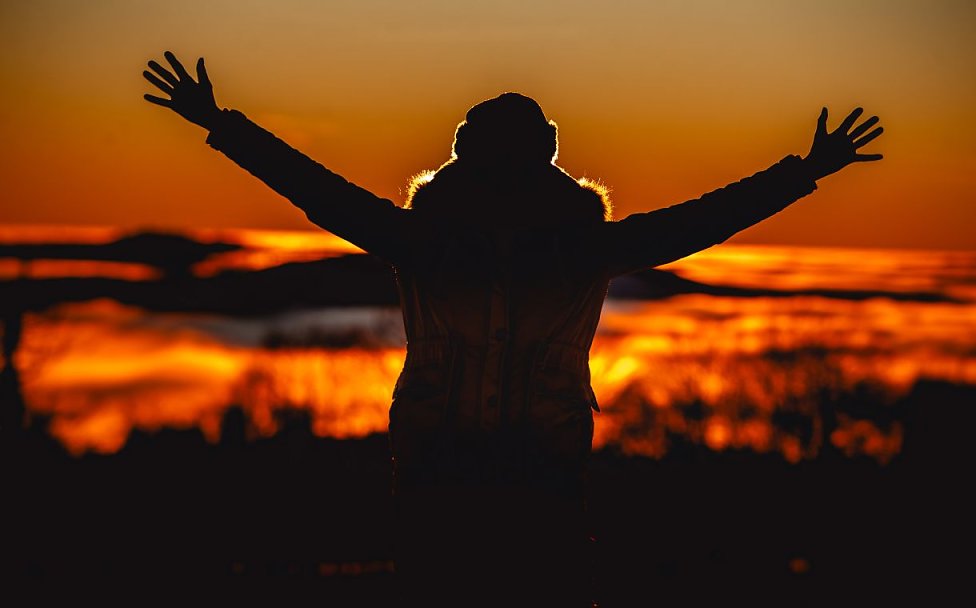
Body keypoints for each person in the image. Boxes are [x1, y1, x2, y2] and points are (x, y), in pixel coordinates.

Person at [143, 51, 883, 606]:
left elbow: (700, 223)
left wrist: (803, 171)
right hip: (445, 479)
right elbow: (319, 192)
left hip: (536, 482)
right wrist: (222, 126)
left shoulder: (568, 249)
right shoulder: (430, 244)